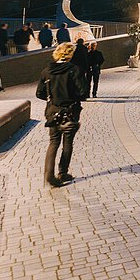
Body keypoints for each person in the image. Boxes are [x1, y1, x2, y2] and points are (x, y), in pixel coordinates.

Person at [37, 42, 89, 187]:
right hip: (70, 112)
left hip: (52, 111)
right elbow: (83, 91)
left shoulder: (47, 71)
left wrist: (53, 98)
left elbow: (39, 93)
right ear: (70, 54)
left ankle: (49, 175)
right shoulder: (74, 70)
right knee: (67, 142)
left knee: (53, 142)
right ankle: (63, 172)